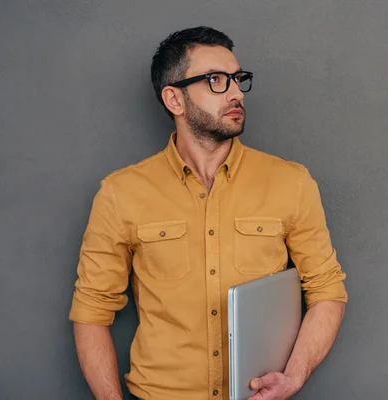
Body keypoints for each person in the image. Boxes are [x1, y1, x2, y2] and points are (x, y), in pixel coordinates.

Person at [69, 26, 348, 400]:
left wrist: (293, 378)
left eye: (237, 79)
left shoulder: (291, 183)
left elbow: (327, 290)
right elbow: (91, 311)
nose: (235, 92)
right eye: (216, 80)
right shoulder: (121, 193)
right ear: (175, 99)